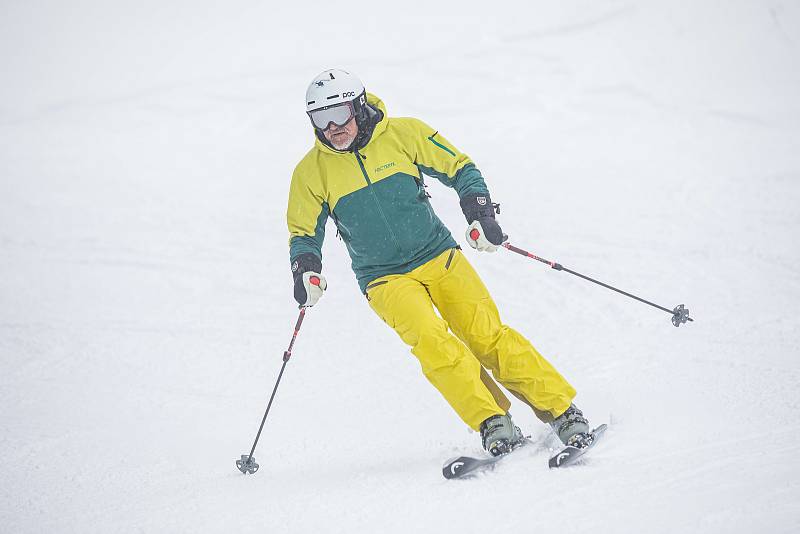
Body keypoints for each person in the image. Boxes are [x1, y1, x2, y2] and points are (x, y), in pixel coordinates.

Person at [287, 69, 592, 456]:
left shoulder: (405, 134)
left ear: (359, 106)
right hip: (383, 278)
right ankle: (492, 421)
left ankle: (562, 410)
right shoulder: (310, 173)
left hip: (438, 254)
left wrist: (480, 213)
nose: (332, 127)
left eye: (339, 113)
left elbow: (460, 167)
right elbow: (302, 231)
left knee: (485, 334)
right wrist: (306, 269)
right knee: (432, 343)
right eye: (320, 119)